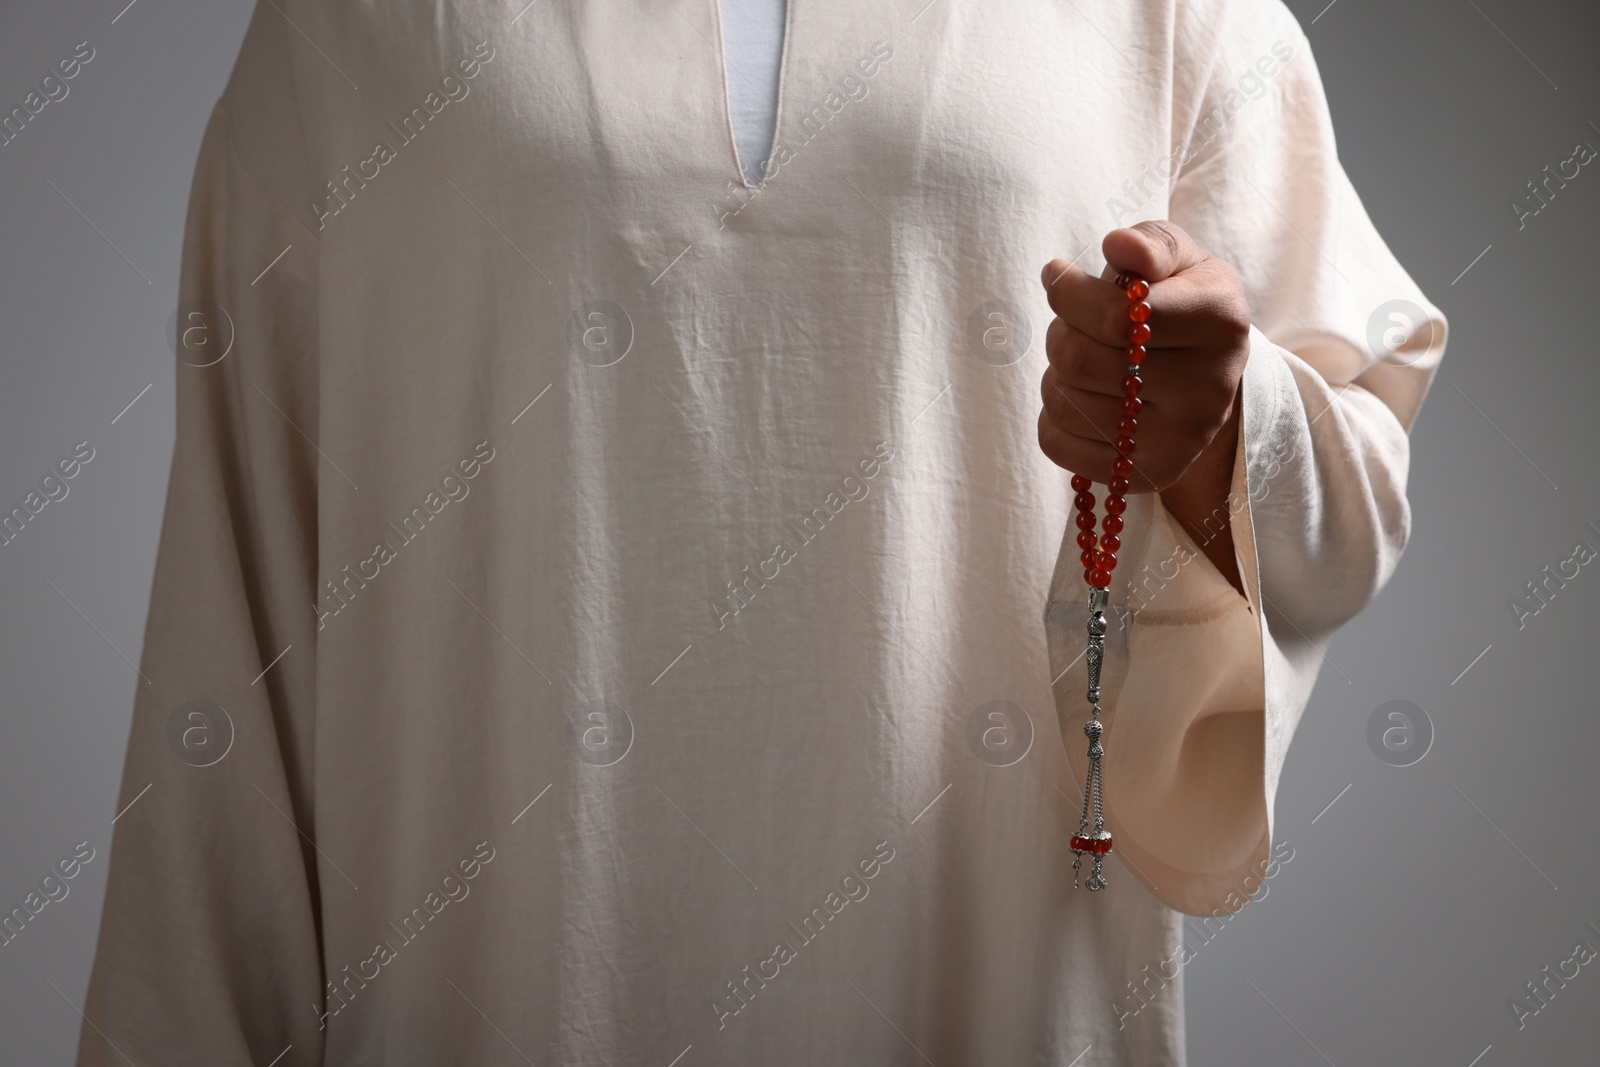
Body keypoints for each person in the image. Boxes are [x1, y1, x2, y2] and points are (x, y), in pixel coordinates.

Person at [77, 0, 1444, 1064]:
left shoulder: (1173, 16)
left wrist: (1222, 431)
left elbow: (1353, 497)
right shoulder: (348, 29)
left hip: (997, 1001)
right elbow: (237, 614)